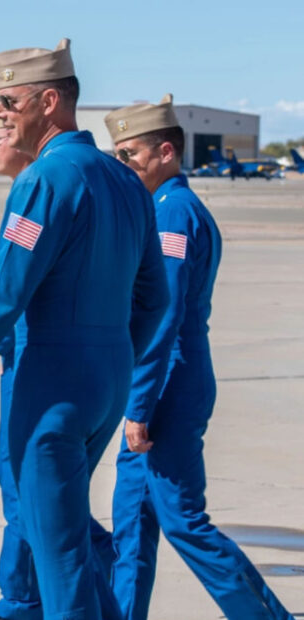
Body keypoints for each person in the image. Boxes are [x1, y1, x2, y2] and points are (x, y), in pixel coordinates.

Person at [0, 39, 170, 619]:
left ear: (50, 101)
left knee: (59, 564)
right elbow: (156, 298)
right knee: (71, 551)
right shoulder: (126, 181)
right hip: (106, 381)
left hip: (52, 388)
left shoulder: (44, 181)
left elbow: (3, 296)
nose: (1, 111)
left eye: (10, 99)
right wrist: (113, 350)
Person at [104, 96, 293, 620]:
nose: (122, 165)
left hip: (168, 385)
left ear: (166, 152)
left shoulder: (174, 212)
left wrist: (139, 407)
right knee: (132, 523)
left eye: (129, 154)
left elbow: (163, 317)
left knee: (182, 520)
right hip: (154, 381)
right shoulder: (159, 208)